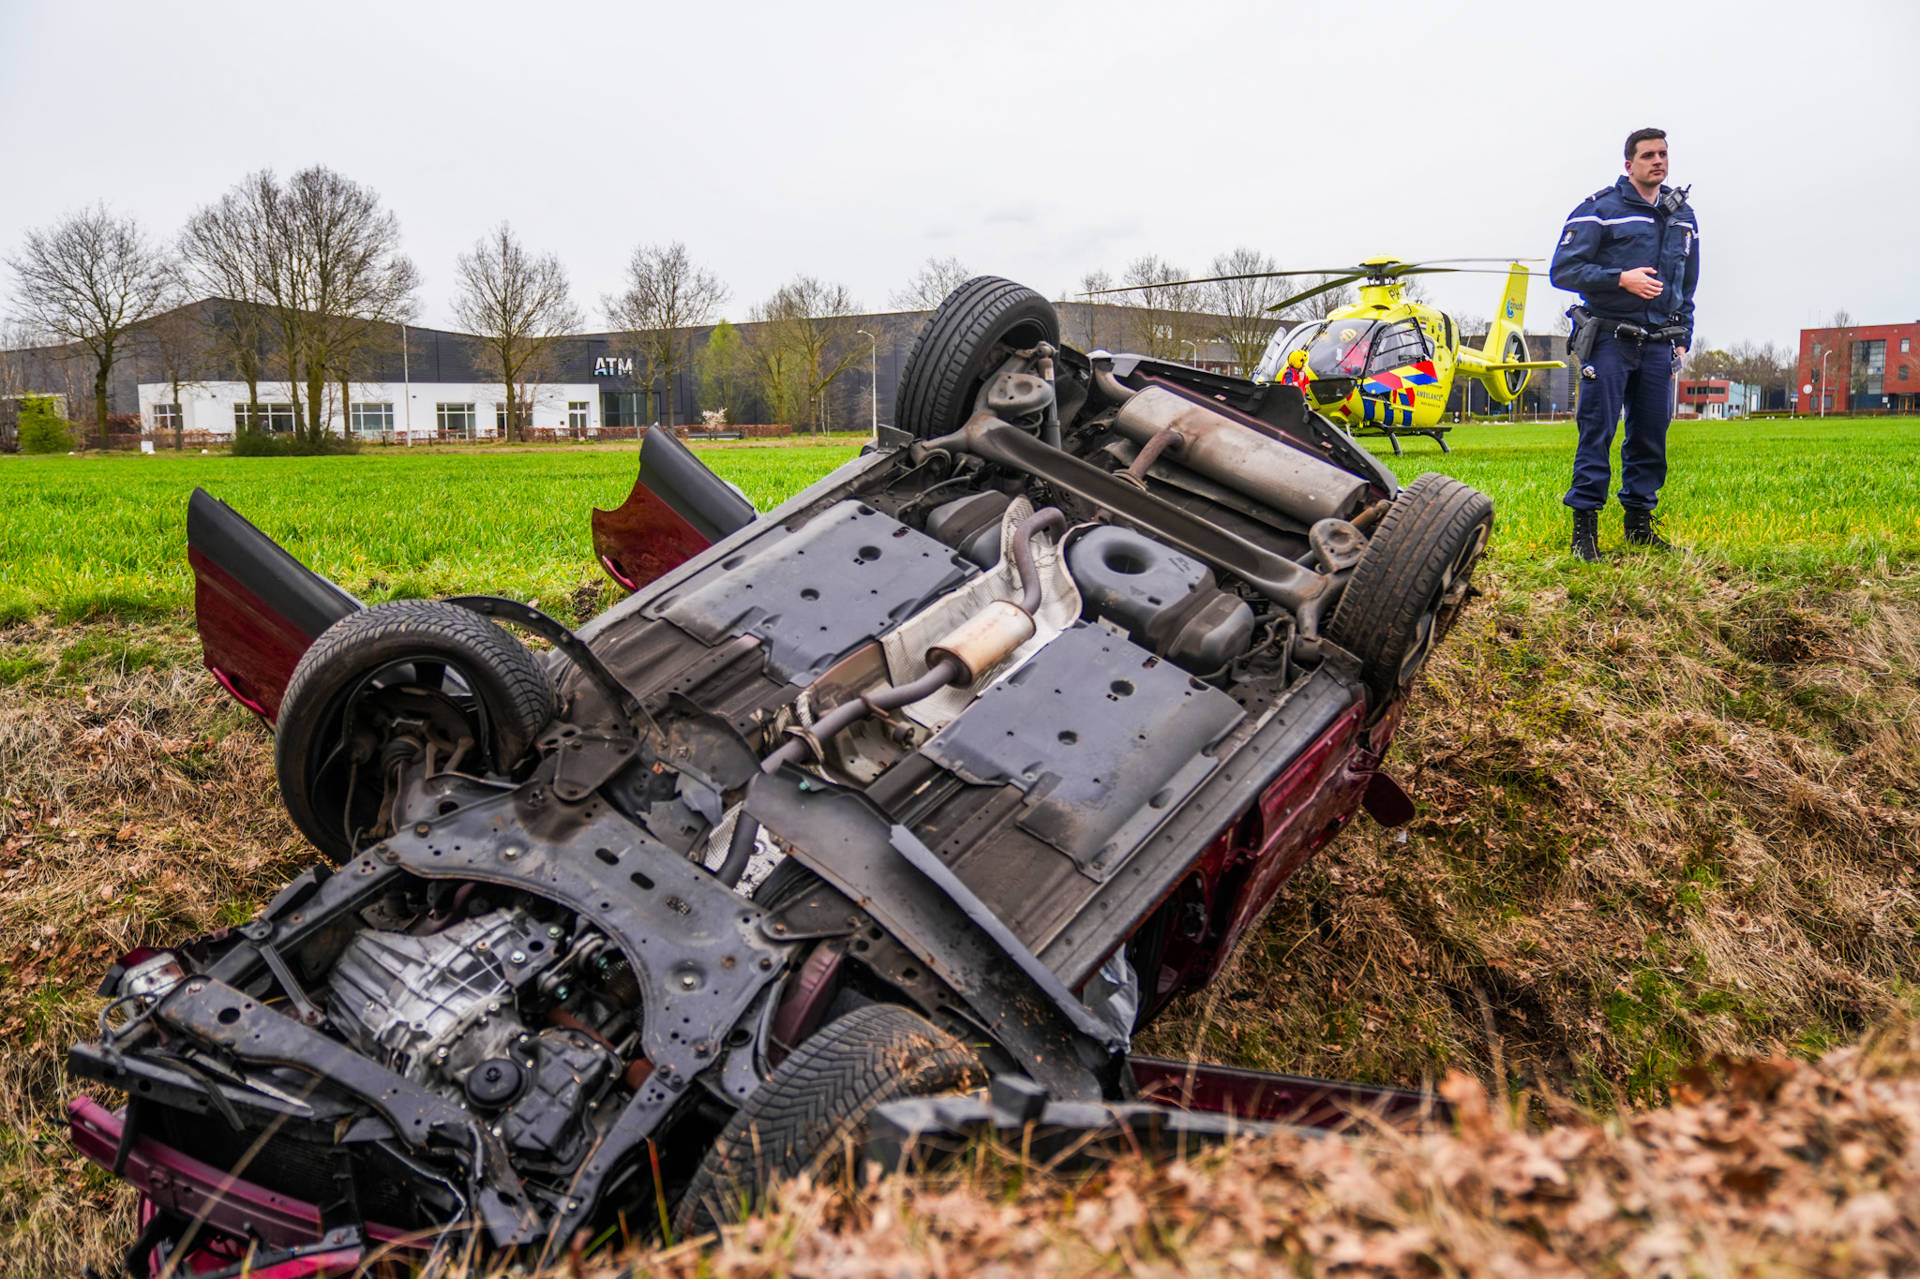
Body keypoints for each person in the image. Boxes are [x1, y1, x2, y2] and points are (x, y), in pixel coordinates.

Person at [1550, 127, 1699, 562]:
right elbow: (1564, 270)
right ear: (1628, 164)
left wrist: (1683, 334)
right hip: (1611, 339)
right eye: (1649, 155)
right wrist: (1620, 279)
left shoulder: (1683, 216)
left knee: (1651, 436)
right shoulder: (1599, 210)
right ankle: (1585, 534)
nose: (1658, 161)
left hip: (1659, 344)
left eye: (1663, 154)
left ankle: (1639, 527)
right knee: (1597, 432)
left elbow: (1687, 283)